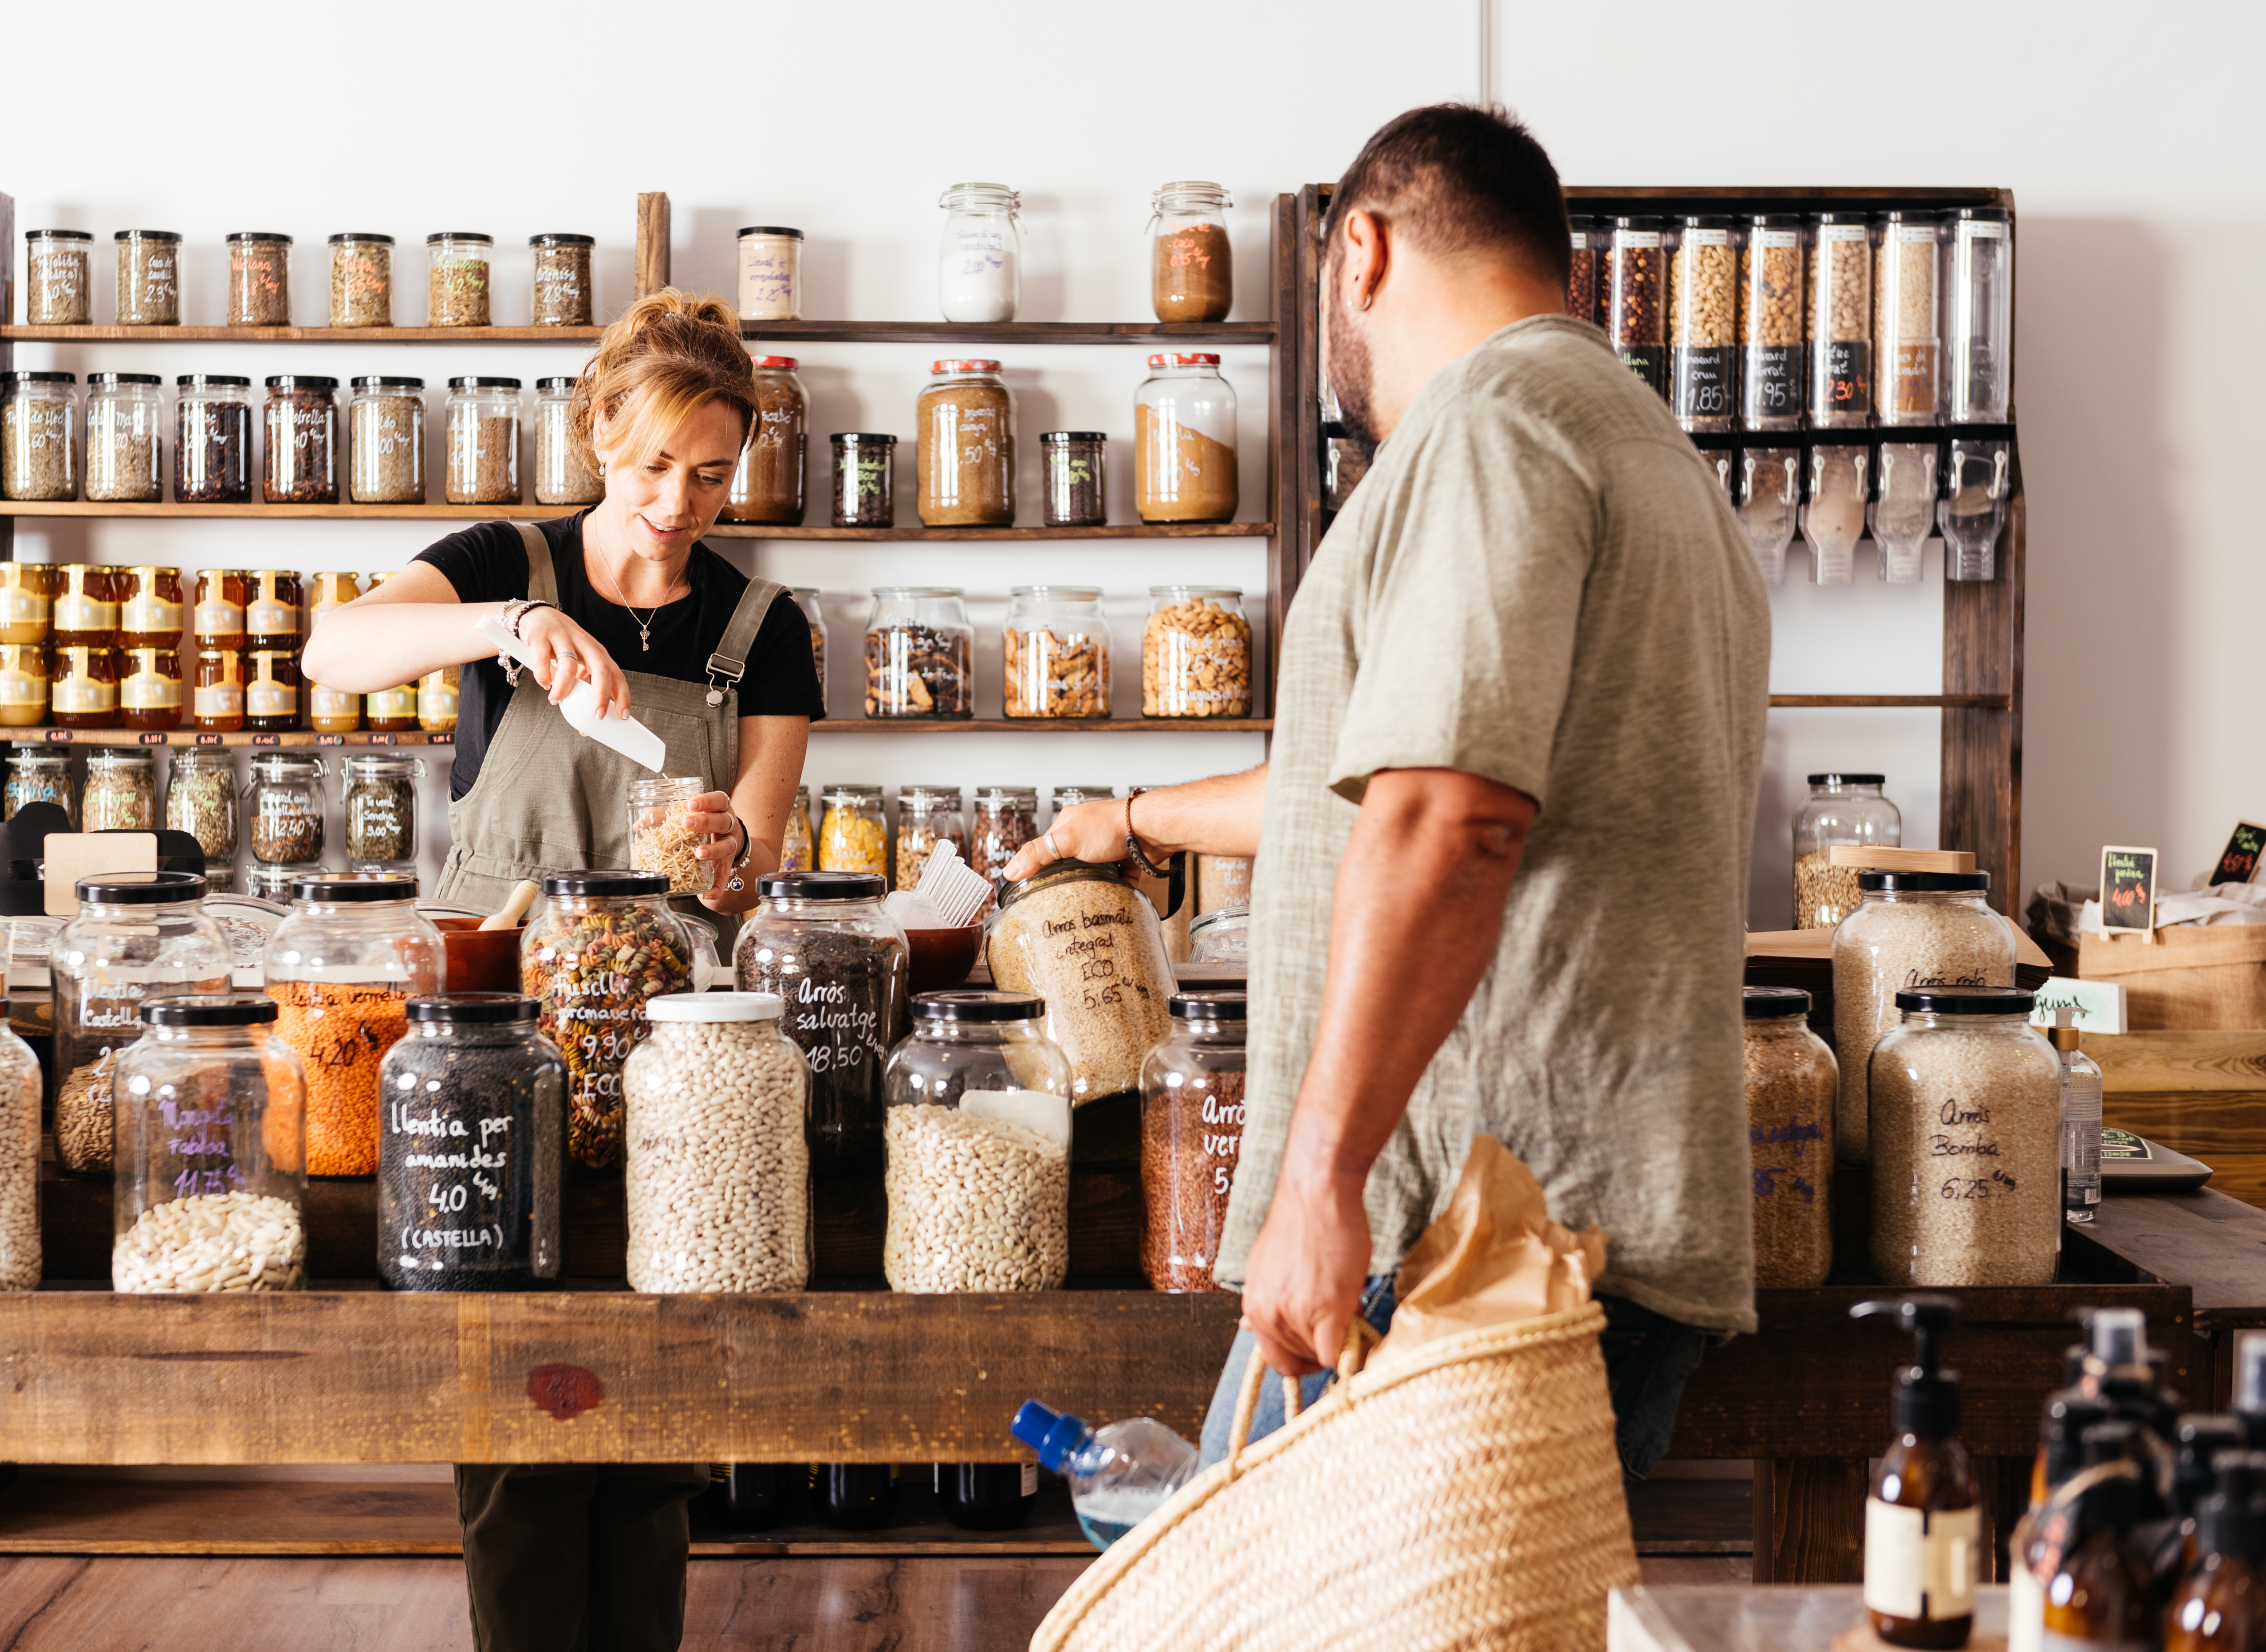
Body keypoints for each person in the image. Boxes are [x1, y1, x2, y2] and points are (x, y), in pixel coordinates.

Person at [1009, 104, 1769, 1485]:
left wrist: (1320, 1178)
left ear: (1359, 249)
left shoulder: (1488, 426)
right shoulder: (1647, 450)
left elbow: (1448, 820)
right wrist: (1129, 822)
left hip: (1459, 1226)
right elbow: (1371, 790)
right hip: (1572, 1210)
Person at [301, 289, 822, 1652]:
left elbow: (750, 864)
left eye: (712, 473)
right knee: (508, 1373)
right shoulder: (503, 559)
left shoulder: (760, 626)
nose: (678, 501)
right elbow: (331, 653)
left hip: (665, 1046)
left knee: (652, 1378)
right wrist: (506, 629)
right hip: (490, 1033)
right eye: (653, 465)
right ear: (599, 435)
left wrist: (718, 843)